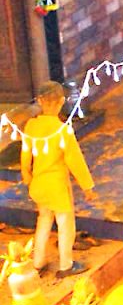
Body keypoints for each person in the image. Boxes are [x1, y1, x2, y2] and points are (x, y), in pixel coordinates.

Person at [20, 81, 95, 278]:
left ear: (39, 101)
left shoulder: (30, 126)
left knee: (43, 220)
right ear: (62, 101)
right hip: (57, 187)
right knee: (65, 224)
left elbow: (26, 153)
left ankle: (38, 262)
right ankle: (66, 264)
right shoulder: (62, 130)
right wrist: (87, 186)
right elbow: (75, 161)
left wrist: (26, 174)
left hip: (38, 184)